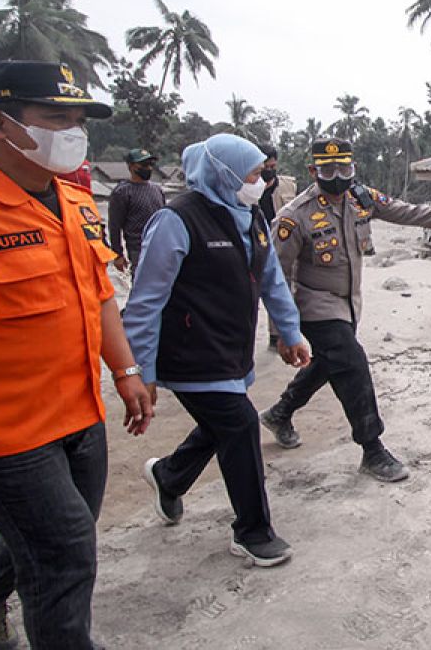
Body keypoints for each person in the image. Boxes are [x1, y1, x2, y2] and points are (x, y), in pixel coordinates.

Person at [0, 60, 155, 649]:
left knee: (56, 537)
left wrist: (124, 370)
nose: (73, 131)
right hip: (0, 436)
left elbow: (99, 294)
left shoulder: (76, 202)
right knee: (66, 556)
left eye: (78, 118)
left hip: (79, 415)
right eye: (56, 117)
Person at [124, 134, 310, 568]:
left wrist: (290, 331)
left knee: (219, 425)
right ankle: (252, 531)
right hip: (190, 352)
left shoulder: (250, 216)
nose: (260, 182)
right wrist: (138, 371)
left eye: (262, 174)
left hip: (231, 349)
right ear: (224, 175)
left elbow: (273, 283)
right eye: (251, 174)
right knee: (240, 424)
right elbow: (145, 301)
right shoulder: (176, 220)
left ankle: (168, 477)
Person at [259, 138, 431, 482]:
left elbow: (405, 211)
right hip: (314, 305)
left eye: (344, 169)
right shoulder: (295, 216)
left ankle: (280, 413)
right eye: (328, 170)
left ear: (353, 169)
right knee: (352, 364)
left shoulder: (360, 198)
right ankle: (372, 448)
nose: (338, 176)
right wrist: (281, 333)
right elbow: (274, 276)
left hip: (349, 304)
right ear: (313, 171)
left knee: (329, 363)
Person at [256, 145, 296, 348]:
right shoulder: (247, 186)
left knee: (282, 289)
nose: (270, 169)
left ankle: (279, 334)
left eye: (273, 165)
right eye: (266, 165)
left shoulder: (288, 186)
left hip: (282, 244)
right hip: (256, 245)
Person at [107, 147, 165, 277]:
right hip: (138, 249)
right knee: (141, 286)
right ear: (131, 166)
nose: (149, 168)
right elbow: (115, 226)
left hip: (160, 247)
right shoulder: (122, 192)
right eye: (144, 165)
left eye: (151, 164)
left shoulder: (157, 190)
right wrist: (118, 255)